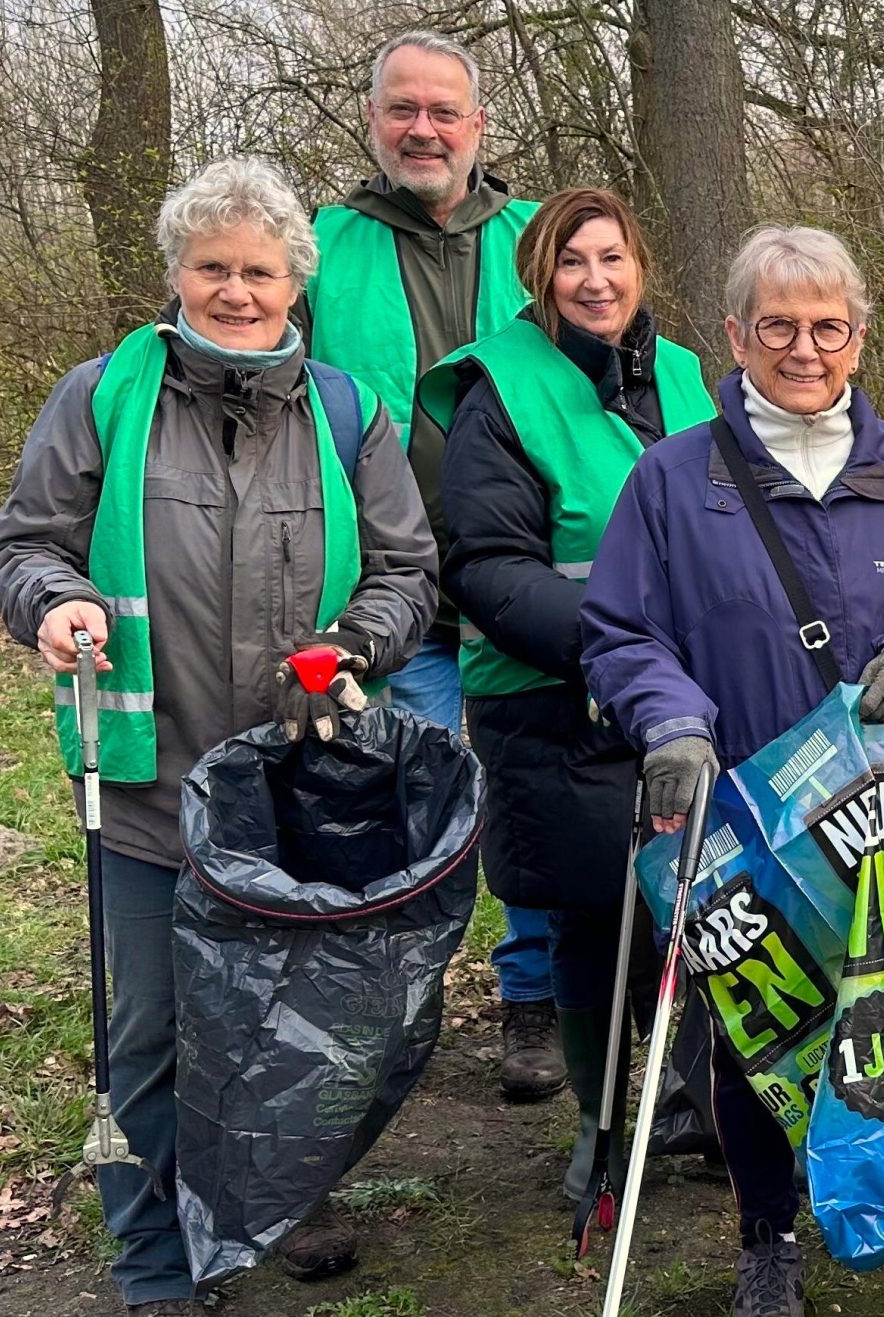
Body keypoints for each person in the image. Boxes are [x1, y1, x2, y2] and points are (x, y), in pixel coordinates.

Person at [0, 158, 436, 1317]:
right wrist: (57, 602)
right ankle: (154, 1268)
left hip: (301, 780)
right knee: (153, 1030)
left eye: (260, 270)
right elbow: (24, 543)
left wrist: (359, 646)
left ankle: (279, 1199)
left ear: (299, 278)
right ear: (177, 276)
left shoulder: (350, 414)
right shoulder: (104, 398)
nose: (237, 291)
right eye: (214, 268)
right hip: (146, 778)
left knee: (300, 1017)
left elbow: (407, 572)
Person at [581, 225, 884, 1317]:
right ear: (734, 335)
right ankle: (767, 1243)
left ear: (860, 335)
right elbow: (622, 631)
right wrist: (668, 721)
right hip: (750, 833)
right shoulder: (674, 480)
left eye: (829, 327)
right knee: (756, 1044)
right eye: (779, 326)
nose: (806, 349)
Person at [415, 188, 717, 1204]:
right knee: (595, 915)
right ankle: (600, 1125)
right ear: (539, 277)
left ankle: (702, 1107)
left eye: (612, 258)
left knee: (698, 907)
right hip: (555, 693)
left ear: (641, 266)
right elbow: (489, 565)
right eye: (572, 262)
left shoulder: (683, 376)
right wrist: (620, 643)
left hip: (684, 692)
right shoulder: (495, 388)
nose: (596, 281)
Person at [301, 29, 564, 1104]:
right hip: (384, 593)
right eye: (402, 109)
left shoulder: (536, 240)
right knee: (398, 806)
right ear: (374, 121)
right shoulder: (323, 243)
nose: (423, 128)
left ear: (477, 127)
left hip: (522, 586)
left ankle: (534, 1003)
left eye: (442, 112)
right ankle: (390, 1011)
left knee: (529, 800)